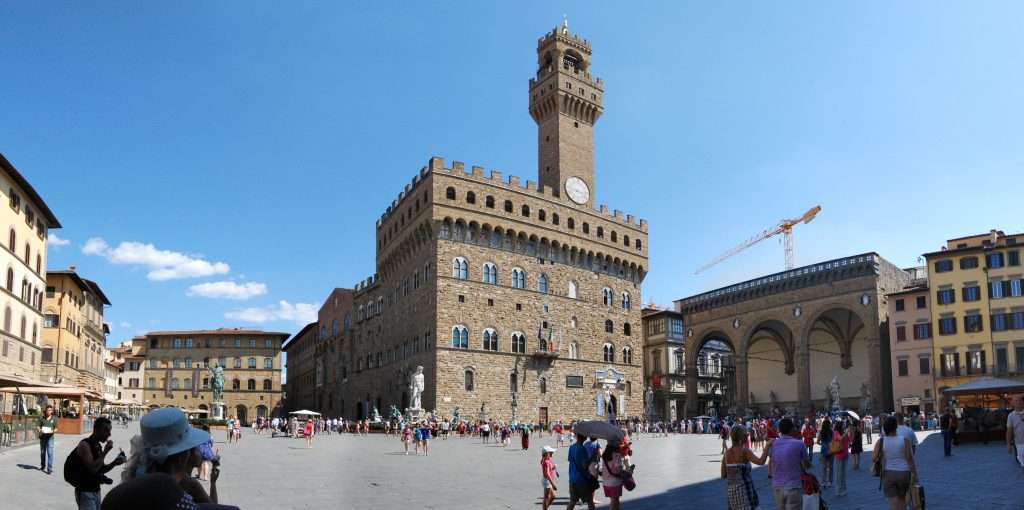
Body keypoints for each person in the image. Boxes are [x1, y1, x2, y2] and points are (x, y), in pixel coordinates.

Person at [123, 408, 219, 505]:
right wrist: (213, 483)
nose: (200, 450)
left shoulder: (138, 482)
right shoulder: (188, 485)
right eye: (193, 446)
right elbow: (214, 507)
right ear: (183, 457)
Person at [67, 417, 126, 510]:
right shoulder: (84, 445)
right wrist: (106, 451)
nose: (109, 434)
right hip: (85, 491)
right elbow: (93, 469)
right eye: (106, 430)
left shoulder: (97, 446)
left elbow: (101, 469)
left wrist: (114, 463)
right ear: (96, 430)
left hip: (95, 490)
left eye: (110, 431)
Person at [720, 425, 771, 509]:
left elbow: (723, 475)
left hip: (731, 492)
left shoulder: (727, 453)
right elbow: (761, 461)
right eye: (746, 435)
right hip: (745, 491)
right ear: (742, 437)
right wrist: (767, 446)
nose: (747, 436)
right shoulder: (745, 451)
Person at [872, 415, 917, 510]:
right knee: (902, 499)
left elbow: (874, 458)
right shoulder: (905, 440)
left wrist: (883, 456)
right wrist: (914, 474)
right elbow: (909, 459)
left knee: (893, 502)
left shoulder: (881, 441)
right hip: (904, 473)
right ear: (896, 426)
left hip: (889, 473)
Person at [767, 418, 808, 510]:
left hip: (777, 487)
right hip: (793, 486)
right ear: (791, 429)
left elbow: (771, 461)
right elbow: (806, 464)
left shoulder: (774, 444)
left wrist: (770, 474)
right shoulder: (799, 444)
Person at [566, 433, 597, 510]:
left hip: (572, 478)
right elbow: (585, 466)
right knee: (590, 501)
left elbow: (570, 460)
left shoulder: (571, 447)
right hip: (582, 480)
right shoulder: (582, 449)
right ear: (584, 437)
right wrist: (592, 456)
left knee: (572, 501)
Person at [599, 440, 629, 510]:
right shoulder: (616, 455)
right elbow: (617, 470)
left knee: (613, 501)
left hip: (606, 482)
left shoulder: (605, 455)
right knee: (615, 501)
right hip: (614, 483)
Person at [832, 421, 851, 497]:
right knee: (838, 474)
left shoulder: (844, 432)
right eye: (843, 425)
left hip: (845, 455)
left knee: (844, 473)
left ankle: (844, 489)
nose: (844, 426)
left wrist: (850, 433)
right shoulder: (836, 432)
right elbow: (840, 439)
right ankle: (838, 490)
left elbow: (850, 440)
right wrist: (846, 432)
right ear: (840, 425)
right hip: (839, 455)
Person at [38, 404, 57, 474]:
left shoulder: (54, 419)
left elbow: (56, 428)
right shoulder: (41, 418)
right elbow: (38, 426)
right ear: (46, 411)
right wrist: (39, 430)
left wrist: (52, 431)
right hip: (42, 437)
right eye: (48, 410)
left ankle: (49, 468)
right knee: (43, 453)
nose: (49, 411)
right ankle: (43, 465)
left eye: (50, 410)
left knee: (50, 453)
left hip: (50, 438)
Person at [1007, 395, 1024, 468]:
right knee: (1021, 460)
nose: (1019, 402)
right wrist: (1008, 444)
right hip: (1019, 443)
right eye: (1016, 401)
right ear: (1013, 404)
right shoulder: (1011, 416)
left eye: (1020, 400)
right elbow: (1009, 431)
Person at [541, 445, 558, 510]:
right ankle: (545, 508)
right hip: (547, 481)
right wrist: (553, 484)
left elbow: (550, 469)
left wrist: (554, 468)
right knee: (547, 497)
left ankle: (545, 508)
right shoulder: (546, 462)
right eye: (550, 452)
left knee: (553, 497)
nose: (552, 453)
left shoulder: (547, 460)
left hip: (548, 481)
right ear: (546, 454)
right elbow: (547, 474)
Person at [817, 418, 833, 488]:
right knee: (831, 467)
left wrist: (822, 444)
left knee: (824, 467)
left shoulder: (821, 432)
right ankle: (830, 481)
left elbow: (817, 441)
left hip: (823, 451)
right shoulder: (831, 432)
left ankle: (823, 482)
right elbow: (833, 441)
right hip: (831, 451)